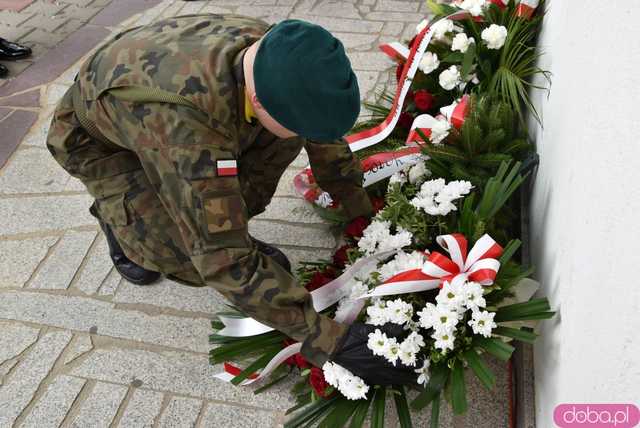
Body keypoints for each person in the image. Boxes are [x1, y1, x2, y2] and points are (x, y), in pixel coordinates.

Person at [46, 14, 416, 385]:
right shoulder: (187, 130)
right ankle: (119, 221)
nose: (308, 135)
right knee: (185, 257)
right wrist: (333, 342)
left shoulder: (281, 57)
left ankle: (177, 203)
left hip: (165, 113)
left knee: (268, 157)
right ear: (258, 99)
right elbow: (220, 258)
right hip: (100, 144)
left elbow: (321, 133)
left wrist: (363, 218)